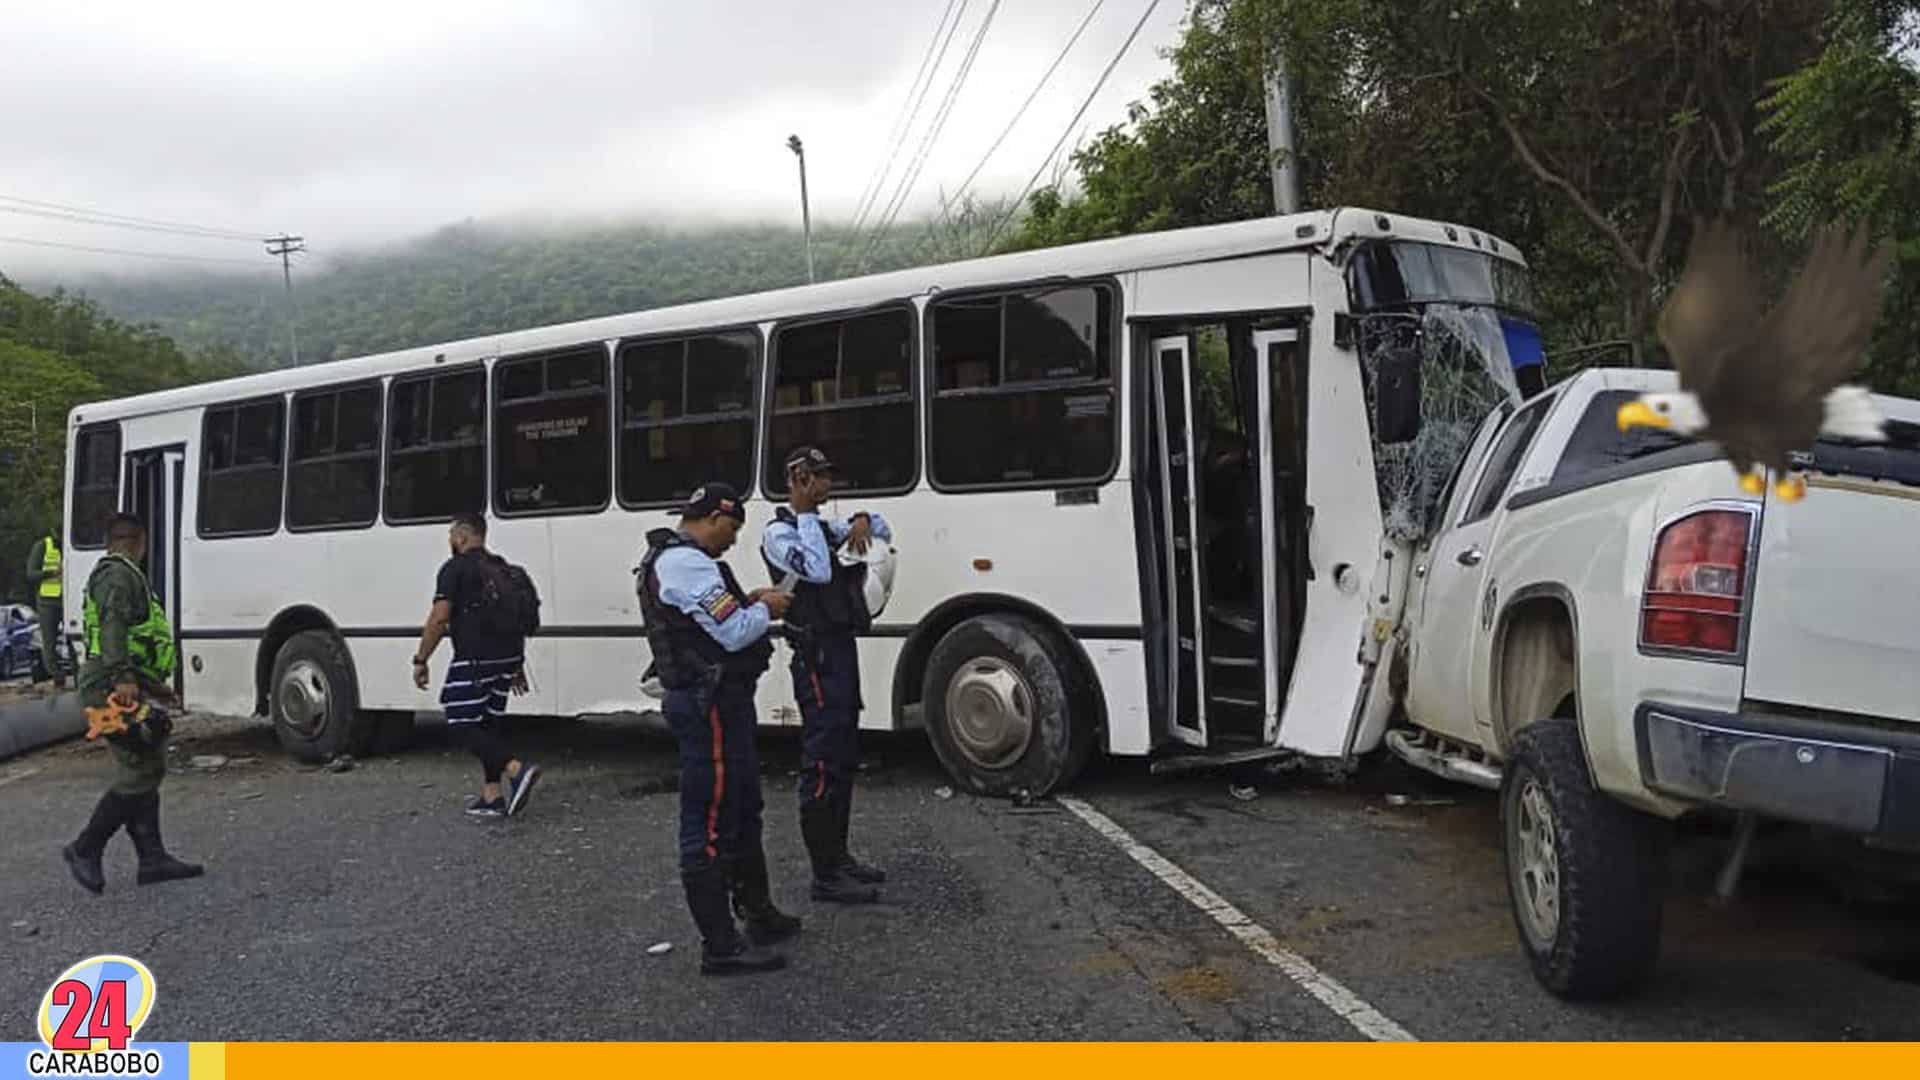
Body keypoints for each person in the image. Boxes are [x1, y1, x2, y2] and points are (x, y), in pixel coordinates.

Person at [636, 481, 800, 975]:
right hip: (707, 706)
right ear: (712, 518)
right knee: (708, 820)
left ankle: (757, 913)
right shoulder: (685, 562)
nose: (732, 540)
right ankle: (721, 945)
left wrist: (748, 599)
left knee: (742, 807)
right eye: (731, 528)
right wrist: (764, 609)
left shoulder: (685, 561)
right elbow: (732, 631)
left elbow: (715, 616)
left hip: (722, 703)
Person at [761, 446, 890, 904]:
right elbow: (815, 570)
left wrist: (859, 519)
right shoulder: (780, 533)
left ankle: (840, 857)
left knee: (843, 758)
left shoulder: (816, 524)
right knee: (821, 762)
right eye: (818, 477)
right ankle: (824, 873)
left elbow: (880, 529)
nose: (827, 484)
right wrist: (805, 515)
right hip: (815, 657)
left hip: (839, 649)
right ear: (798, 479)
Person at [62, 513, 202, 894]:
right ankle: (85, 847)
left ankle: (152, 859)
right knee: (139, 765)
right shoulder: (118, 576)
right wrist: (124, 679)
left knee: (148, 757)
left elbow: (126, 639)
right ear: (139, 541)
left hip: (116, 681)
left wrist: (153, 686)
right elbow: (113, 629)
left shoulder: (116, 574)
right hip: (106, 687)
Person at [412, 511, 543, 818]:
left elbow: (440, 617)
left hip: (475, 656)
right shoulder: (502, 567)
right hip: (508, 657)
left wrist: (421, 659)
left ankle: (516, 769)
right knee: (487, 723)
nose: (450, 541)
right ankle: (492, 796)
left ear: (461, 536)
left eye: (451, 536)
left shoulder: (454, 569)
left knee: (460, 722)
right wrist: (517, 665)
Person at [24, 527, 65, 688]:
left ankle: (78, 672)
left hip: (67, 598)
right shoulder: (42, 546)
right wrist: (51, 573)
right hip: (48, 601)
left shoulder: (70, 545)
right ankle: (57, 675)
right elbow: (31, 574)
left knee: (74, 637)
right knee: (50, 642)